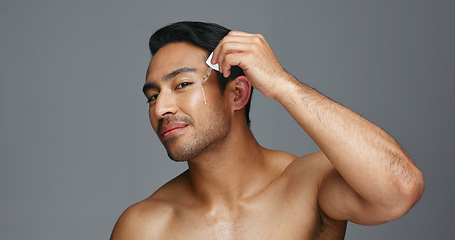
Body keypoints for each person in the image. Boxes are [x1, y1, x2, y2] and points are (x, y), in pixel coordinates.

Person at [110, 21, 424, 239]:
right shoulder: (143, 227)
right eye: (153, 96)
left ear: (237, 94)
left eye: (182, 85)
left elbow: (401, 188)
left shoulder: (309, 186)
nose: (160, 108)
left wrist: (283, 84)